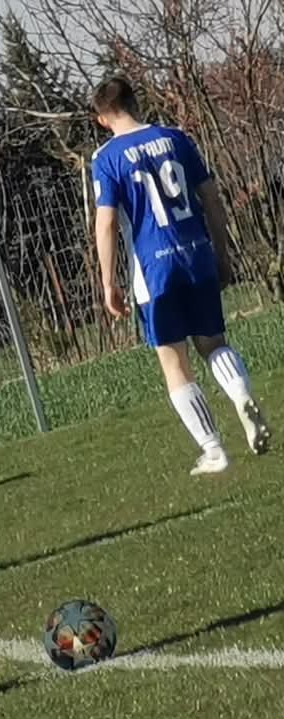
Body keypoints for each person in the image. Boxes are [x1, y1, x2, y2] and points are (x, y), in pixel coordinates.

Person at [92, 76, 270, 474]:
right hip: (197, 256)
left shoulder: (106, 157)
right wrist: (221, 254)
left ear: (102, 119)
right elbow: (212, 199)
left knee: (174, 361)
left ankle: (214, 450)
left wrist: (108, 282)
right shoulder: (176, 138)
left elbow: (106, 224)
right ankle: (240, 394)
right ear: (136, 102)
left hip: (154, 270)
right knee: (214, 343)